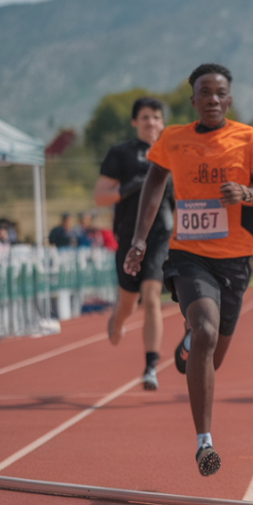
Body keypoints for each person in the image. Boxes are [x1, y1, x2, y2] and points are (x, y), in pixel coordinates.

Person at [124, 64, 253, 476]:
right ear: (192, 100)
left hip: (235, 260)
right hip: (189, 255)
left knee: (214, 355)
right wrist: (139, 240)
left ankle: (191, 343)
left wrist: (247, 192)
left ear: (229, 99)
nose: (212, 98)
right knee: (207, 330)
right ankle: (204, 443)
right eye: (204, 92)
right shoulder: (173, 139)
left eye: (220, 92)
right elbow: (154, 184)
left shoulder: (249, 138)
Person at [95, 97, 174, 391]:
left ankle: (150, 365)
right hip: (128, 236)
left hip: (160, 236)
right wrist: (130, 187)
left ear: (162, 122)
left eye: (155, 117)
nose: (151, 122)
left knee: (151, 294)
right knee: (129, 302)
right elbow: (100, 196)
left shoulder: (173, 153)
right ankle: (118, 317)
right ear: (134, 122)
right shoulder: (121, 154)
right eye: (144, 117)